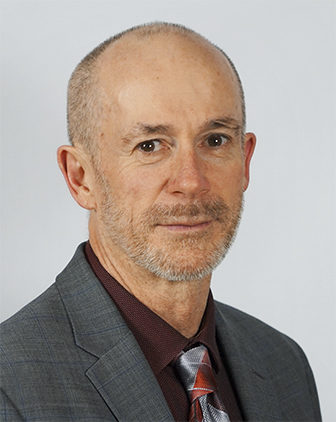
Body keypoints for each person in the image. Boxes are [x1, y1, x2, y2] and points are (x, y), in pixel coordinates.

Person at [0, 22, 321, 422]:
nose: (191, 181)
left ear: (245, 161)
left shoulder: (283, 365)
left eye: (216, 140)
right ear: (80, 177)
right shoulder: (10, 387)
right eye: (149, 145)